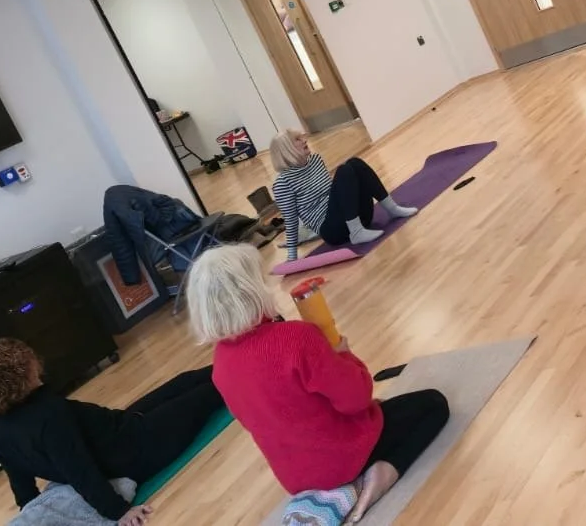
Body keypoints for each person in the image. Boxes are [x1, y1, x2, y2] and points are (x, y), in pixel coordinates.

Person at [189, 243, 450, 523]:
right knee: (433, 403)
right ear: (253, 289)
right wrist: (340, 351)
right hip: (343, 458)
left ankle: (348, 483)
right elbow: (358, 397)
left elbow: (267, 414)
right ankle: (380, 475)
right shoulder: (296, 337)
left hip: (295, 477)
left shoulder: (221, 364)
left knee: (385, 409)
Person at [0, 338, 225, 526]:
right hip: (139, 448)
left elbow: (20, 483)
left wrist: (30, 510)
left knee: (184, 381)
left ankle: (244, 354)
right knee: (209, 392)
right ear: (21, 374)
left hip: (124, 425)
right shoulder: (49, 415)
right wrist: (119, 512)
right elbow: (78, 468)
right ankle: (255, 362)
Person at [269, 130, 416, 261]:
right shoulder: (283, 183)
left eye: (302, 138)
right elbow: (291, 220)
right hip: (333, 230)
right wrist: (292, 258)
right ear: (287, 149)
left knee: (355, 163)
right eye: (298, 140)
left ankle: (392, 209)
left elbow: (334, 193)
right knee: (344, 170)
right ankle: (356, 232)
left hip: (358, 218)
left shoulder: (315, 161)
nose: (304, 140)